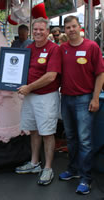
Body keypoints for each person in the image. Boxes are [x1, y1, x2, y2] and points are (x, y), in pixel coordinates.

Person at [59, 15, 104, 195]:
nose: (71, 30)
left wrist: (94, 98)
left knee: (85, 140)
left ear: (80, 28)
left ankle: (86, 178)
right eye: (68, 27)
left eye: (74, 26)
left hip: (84, 99)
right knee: (70, 137)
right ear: (65, 30)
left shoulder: (91, 47)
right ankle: (73, 170)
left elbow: (101, 74)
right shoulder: (62, 49)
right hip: (66, 98)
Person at [15, 17, 61, 186]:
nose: (38, 32)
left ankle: (48, 168)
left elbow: (51, 76)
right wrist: (6, 77)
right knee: (33, 131)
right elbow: (18, 70)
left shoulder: (53, 49)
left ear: (48, 31)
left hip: (46, 97)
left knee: (47, 133)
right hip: (30, 96)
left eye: (42, 29)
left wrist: (29, 87)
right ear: (31, 31)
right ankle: (35, 163)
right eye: (35, 29)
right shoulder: (29, 48)